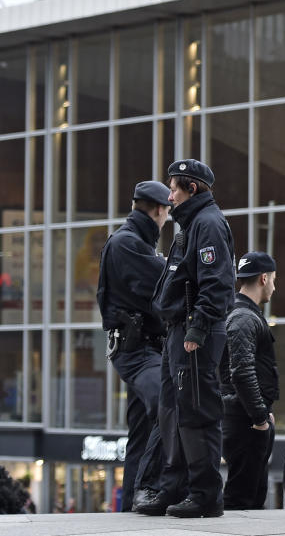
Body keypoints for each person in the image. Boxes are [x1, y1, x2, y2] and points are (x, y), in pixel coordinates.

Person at [150, 159, 235, 518]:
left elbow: (217, 283)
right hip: (179, 331)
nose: (169, 197)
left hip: (194, 333)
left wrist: (198, 329)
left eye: (174, 189)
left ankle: (204, 496)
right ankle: (177, 489)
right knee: (173, 412)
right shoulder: (190, 224)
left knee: (197, 412)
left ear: (193, 189)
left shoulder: (208, 224)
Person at [96, 181, 178, 512]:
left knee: (142, 432)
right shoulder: (127, 244)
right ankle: (147, 487)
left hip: (146, 349)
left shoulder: (134, 242)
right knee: (167, 403)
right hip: (136, 351)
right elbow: (164, 282)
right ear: (159, 210)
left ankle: (133, 499)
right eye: (167, 213)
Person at [221, 251, 280, 510]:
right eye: (274, 280)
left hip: (248, 417)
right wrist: (259, 418)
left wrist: (264, 414)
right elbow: (242, 371)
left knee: (252, 495)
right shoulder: (244, 317)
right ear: (264, 278)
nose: (275, 287)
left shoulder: (244, 313)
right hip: (244, 421)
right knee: (243, 499)